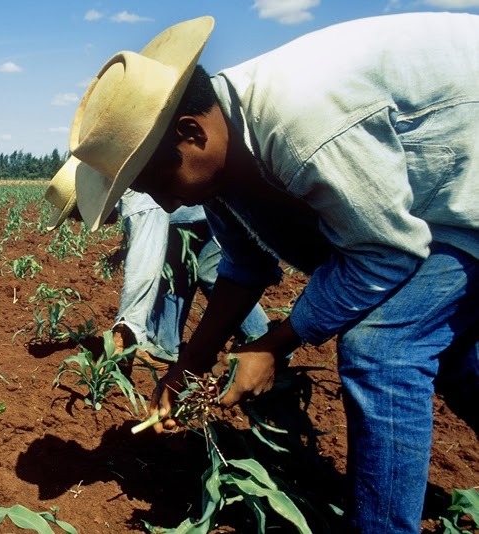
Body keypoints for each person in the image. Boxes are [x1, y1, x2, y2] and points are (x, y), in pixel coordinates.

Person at [61, 13, 479, 533]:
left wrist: (271, 345)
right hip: (443, 201)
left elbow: (385, 253)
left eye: (156, 181)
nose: (166, 205)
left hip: (466, 191)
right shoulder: (226, 155)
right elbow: (245, 266)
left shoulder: (300, 124)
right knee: (450, 345)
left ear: (192, 133)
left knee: (384, 349)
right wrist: (186, 369)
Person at [44, 160, 276, 366]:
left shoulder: (132, 193)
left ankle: (269, 348)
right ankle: (165, 349)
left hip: (229, 207)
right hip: (203, 214)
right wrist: (126, 247)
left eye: (80, 214)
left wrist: (126, 327)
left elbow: (144, 267)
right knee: (195, 268)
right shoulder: (124, 180)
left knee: (215, 273)